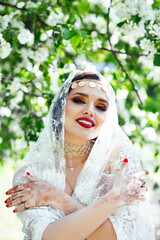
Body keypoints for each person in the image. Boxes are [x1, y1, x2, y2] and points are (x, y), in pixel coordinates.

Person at [5, 70, 155, 240]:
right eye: (79, 100)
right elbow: (50, 237)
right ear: (60, 106)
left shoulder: (119, 158)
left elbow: (116, 237)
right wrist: (113, 199)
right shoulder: (32, 173)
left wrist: (59, 199)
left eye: (100, 107)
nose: (90, 111)